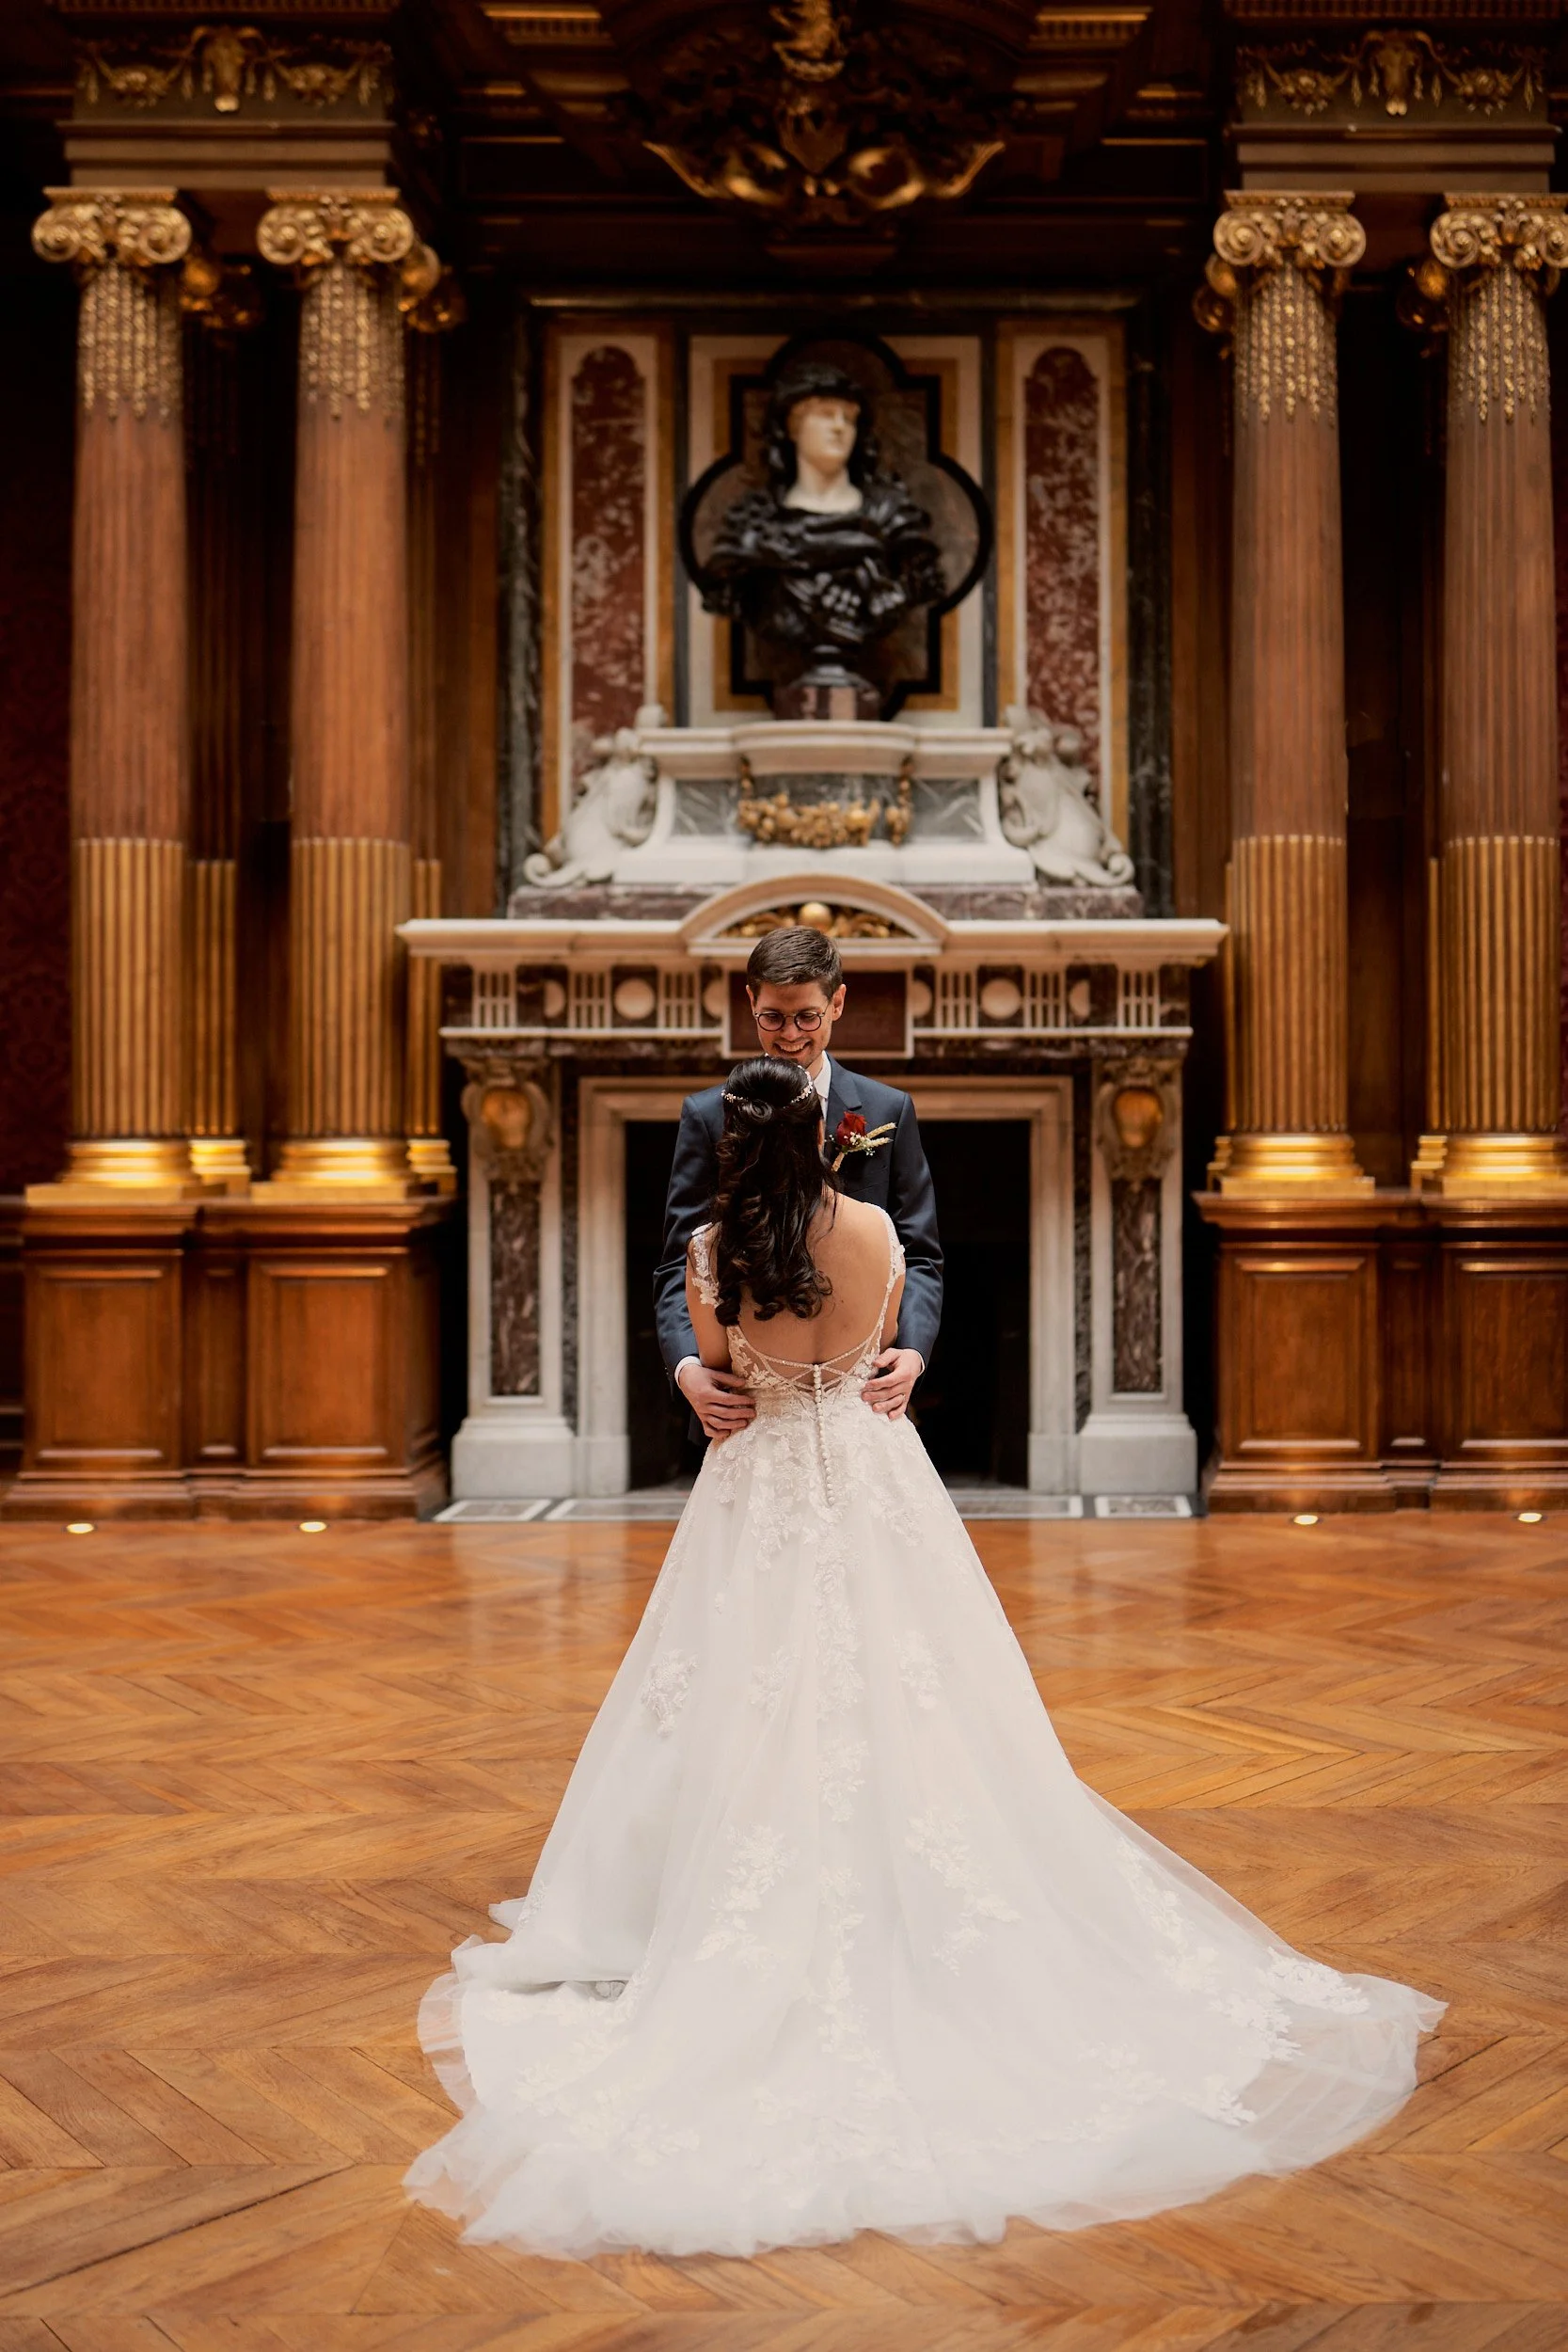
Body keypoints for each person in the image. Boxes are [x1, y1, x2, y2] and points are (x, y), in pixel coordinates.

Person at [404, 1055, 1442, 2263]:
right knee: (921, 1695)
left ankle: (673, 1907)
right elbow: (885, 1318)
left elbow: (724, 1359)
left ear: (741, 1144)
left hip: (758, 1490)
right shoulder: (879, 1232)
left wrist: (722, 1361)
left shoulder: (708, 1256)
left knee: (734, 1698)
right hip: (875, 1477)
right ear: (828, 1140)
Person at [655, 923, 942, 1445]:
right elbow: (682, 1259)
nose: (790, 1035)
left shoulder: (887, 1111)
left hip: (860, 1397)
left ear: (838, 1003)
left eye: (807, 1016)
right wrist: (687, 1368)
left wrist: (914, 1354)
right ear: (750, 1002)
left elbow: (920, 1253)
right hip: (749, 1405)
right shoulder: (707, 1116)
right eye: (773, 1017)